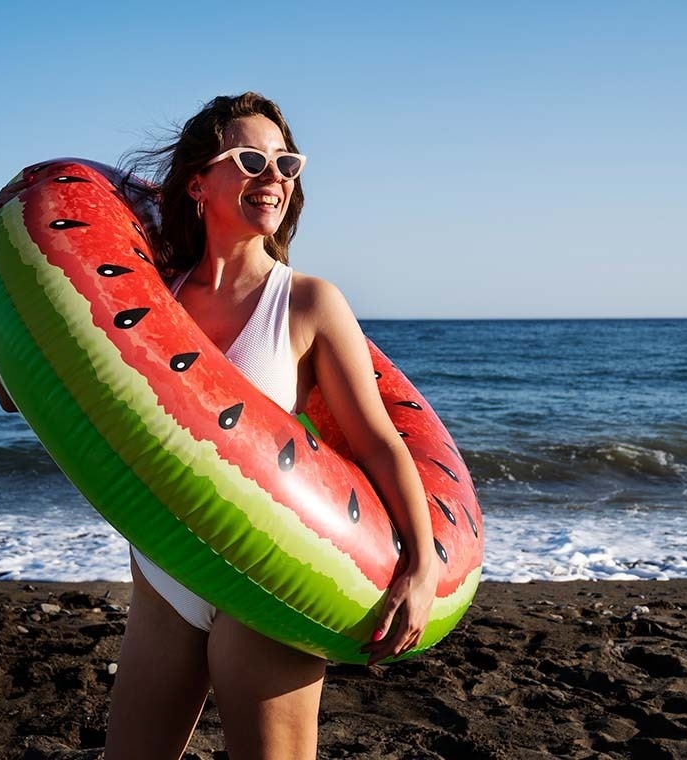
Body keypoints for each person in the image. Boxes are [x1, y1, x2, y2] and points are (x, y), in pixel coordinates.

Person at [99, 92, 439, 760]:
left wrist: (422, 566)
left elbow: (377, 441)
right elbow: (28, 392)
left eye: (286, 162)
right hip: (164, 584)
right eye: (251, 160)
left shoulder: (308, 303)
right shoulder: (152, 296)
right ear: (198, 182)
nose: (275, 176)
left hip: (265, 581)